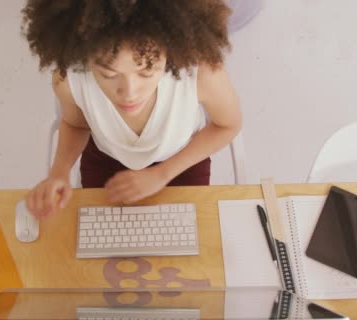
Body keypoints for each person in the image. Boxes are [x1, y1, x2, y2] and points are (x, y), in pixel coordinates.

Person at [21, 0, 242, 218]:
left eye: (146, 72)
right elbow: (75, 124)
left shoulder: (200, 73)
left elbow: (228, 125)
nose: (129, 93)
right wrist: (59, 173)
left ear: (172, 50)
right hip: (106, 161)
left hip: (182, 162)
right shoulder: (69, 79)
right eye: (108, 74)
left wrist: (162, 174)